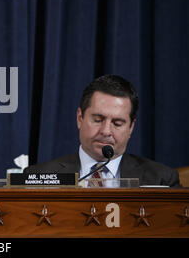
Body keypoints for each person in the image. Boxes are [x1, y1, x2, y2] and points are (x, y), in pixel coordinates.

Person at [24, 75, 180, 187]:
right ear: (80, 118)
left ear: (131, 127)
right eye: (98, 120)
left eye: (117, 123)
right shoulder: (37, 177)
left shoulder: (162, 180)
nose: (106, 131)